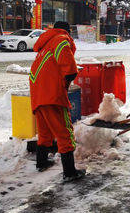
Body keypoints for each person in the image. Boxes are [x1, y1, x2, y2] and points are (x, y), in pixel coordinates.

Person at [29, 21, 85, 182]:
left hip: (38, 97)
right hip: (52, 97)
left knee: (45, 132)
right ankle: (69, 172)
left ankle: (41, 162)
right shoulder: (61, 40)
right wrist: (64, 87)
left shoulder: (45, 46)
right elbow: (70, 70)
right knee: (64, 133)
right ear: (67, 31)